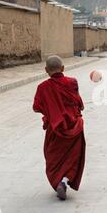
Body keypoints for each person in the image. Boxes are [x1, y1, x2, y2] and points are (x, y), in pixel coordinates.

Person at [33, 56, 86, 201]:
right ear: (63, 68)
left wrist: (51, 109)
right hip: (74, 126)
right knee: (72, 157)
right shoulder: (72, 83)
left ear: (46, 70)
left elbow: (36, 107)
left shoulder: (42, 87)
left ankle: (59, 181)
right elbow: (79, 103)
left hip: (55, 128)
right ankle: (64, 181)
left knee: (53, 158)